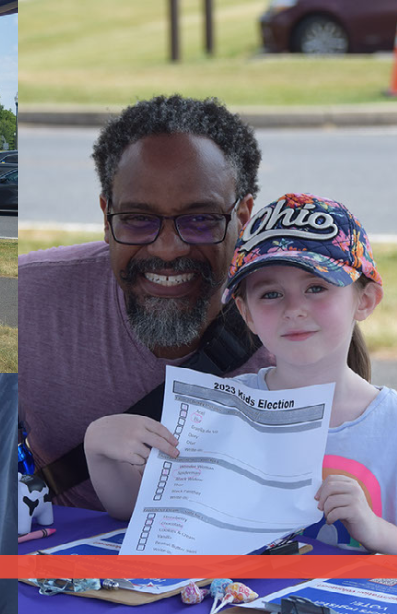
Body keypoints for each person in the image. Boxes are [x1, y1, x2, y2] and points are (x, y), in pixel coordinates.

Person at [84, 194, 397, 554]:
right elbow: (139, 513)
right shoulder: (221, 409)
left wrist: (374, 529)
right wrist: (99, 448)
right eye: (271, 294)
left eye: (316, 288)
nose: (294, 309)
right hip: (236, 591)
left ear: (365, 300)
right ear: (246, 314)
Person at [16, 95, 273, 511]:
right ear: (106, 216)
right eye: (138, 219)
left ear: (242, 217)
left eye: (201, 219)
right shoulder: (31, 299)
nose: (168, 249)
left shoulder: (296, 324)